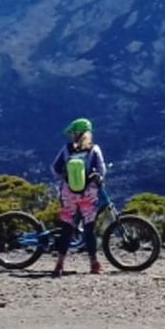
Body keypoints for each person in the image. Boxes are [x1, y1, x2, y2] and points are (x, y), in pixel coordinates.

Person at [50, 117, 107, 276]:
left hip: (68, 193)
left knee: (67, 228)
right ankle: (94, 263)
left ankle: (59, 264)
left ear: (75, 133)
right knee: (89, 228)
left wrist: (67, 178)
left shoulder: (67, 149)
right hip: (88, 194)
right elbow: (102, 171)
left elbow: (55, 168)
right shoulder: (94, 149)